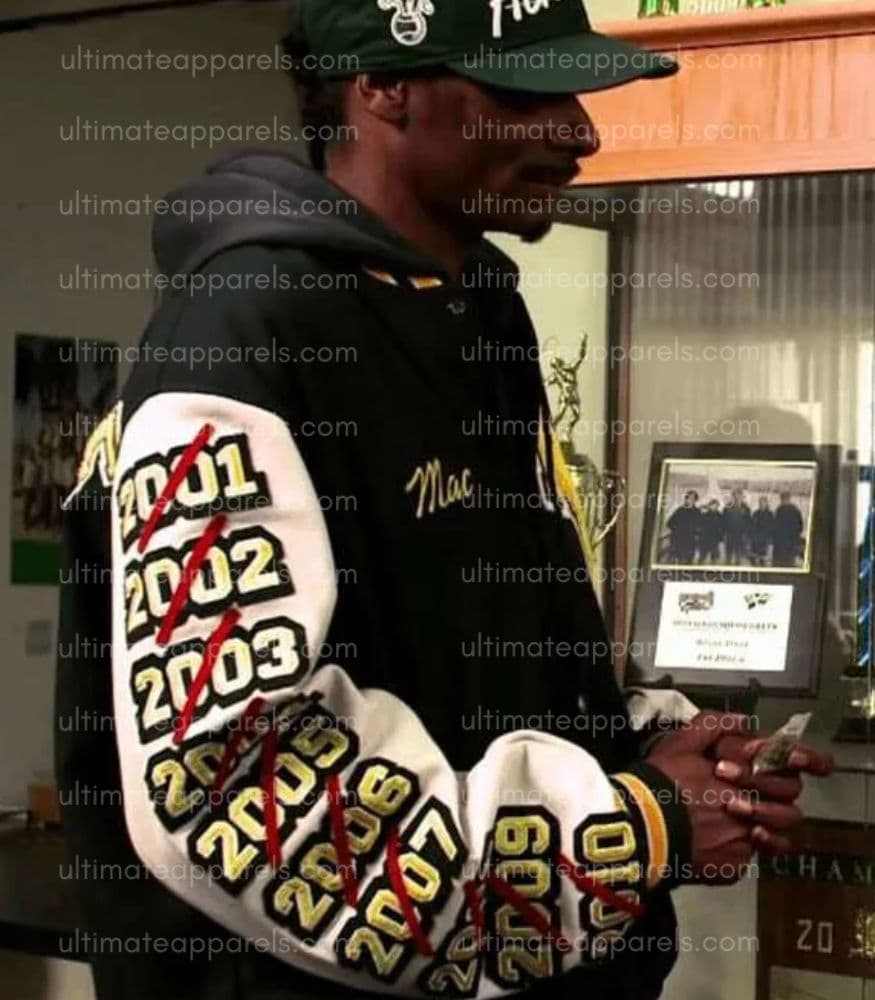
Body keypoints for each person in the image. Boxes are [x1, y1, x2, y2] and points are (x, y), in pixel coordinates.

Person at [55, 3, 832, 999]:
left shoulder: (483, 315)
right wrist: (638, 827)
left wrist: (647, 747)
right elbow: (235, 789)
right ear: (382, 86)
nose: (580, 131)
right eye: (525, 93)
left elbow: (490, 657)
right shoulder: (237, 339)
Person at [665, 489, 701, 564]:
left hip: (690, 542)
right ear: (686, 499)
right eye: (688, 498)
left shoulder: (697, 512)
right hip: (677, 541)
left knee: (687, 563)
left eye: (692, 498)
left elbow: (700, 527)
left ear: (695, 500)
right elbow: (669, 523)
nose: (690, 500)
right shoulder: (680, 510)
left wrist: (695, 534)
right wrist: (677, 530)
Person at [773, 490, 805, 567]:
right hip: (782, 542)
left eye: (785, 498)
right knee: (782, 562)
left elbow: (799, 526)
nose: (783, 500)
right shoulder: (780, 509)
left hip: (788, 541)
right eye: (782, 499)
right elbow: (800, 526)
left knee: (786, 562)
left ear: (788, 499)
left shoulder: (793, 510)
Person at [723, 488, 753, 566]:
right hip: (730, 535)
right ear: (733, 496)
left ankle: (737, 569)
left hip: (741, 536)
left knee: (738, 556)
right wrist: (724, 534)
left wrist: (746, 534)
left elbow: (749, 523)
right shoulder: (727, 507)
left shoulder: (746, 509)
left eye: (739, 495)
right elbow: (724, 521)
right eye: (735, 495)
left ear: (742, 496)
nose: (737, 497)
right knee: (728, 556)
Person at [698, 497, 724, 564]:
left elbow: (721, 527)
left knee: (714, 558)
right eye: (713, 505)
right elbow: (700, 525)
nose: (714, 507)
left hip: (714, 540)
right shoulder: (704, 515)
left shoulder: (719, 516)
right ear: (709, 505)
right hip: (704, 539)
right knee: (702, 557)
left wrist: (721, 538)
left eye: (716, 506)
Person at [751, 495, 775, 567]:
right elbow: (752, 525)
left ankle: (762, 567)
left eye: (763, 503)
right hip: (756, 538)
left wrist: (770, 538)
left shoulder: (770, 514)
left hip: (765, 539)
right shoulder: (756, 513)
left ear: (766, 503)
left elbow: (772, 527)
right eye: (760, 503)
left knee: (763, 557)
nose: (761, 505)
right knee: (755, 557)